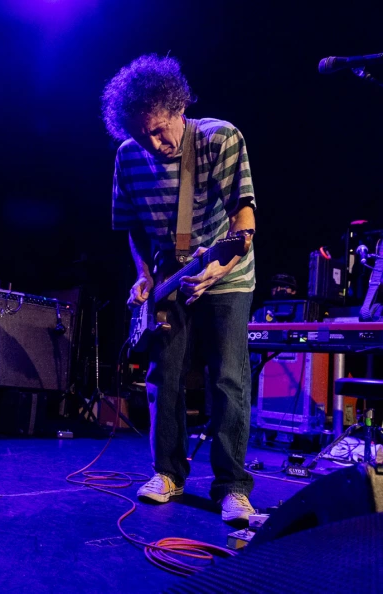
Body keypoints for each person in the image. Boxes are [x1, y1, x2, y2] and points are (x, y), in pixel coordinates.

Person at [102, 54, 257, 523]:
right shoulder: (129, 155)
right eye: (140, 133)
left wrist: (220, 265)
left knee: (228, 378)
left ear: (179, 106)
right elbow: (130, 227)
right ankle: (167, 473)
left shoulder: (220, 138)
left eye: (159, 129)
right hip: (167, 276)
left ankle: (231, 486)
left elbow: (244, 222)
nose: (152, 143)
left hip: (225, 272)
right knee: (163, 377)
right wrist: (143, 275)